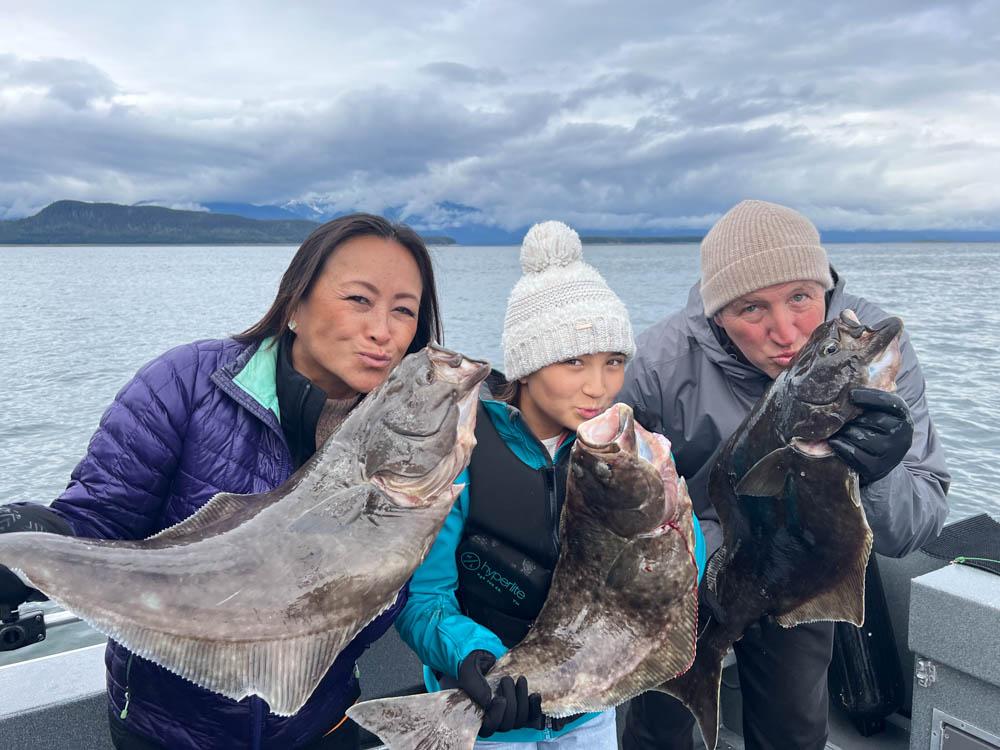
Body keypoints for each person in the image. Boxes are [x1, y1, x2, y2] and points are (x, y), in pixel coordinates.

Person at [0, 213, 443, 750]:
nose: (383, 330)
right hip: (168, 731)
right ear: (295, 304)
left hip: (317, 723)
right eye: (358, 300)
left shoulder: (417, 440)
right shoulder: (185, 382)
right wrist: (27, 537)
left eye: (404, 311)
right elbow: (95, 518)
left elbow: (398, 593)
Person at [618, 199, 950, 750]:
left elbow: (916, 528)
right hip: (689, 564)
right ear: (716, 313)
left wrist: (881, 472)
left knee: (794, 730)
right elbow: (607, 495)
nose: (785, 331)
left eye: (801, 297)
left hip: (803, 563)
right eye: (751, 309)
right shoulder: (656, 365)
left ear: (826, 287)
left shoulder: (873, 352)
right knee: (658, 727)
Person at [395, 220, 708, 749]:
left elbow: (677, 579)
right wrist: (473, 656)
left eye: (614, 363)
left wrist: (671, 501)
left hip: (587, 713)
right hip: (484, 713)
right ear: (528, 363)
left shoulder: (627, 453)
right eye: (573, 362)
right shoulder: (462, 449)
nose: (599, 386)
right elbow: (423, 597)